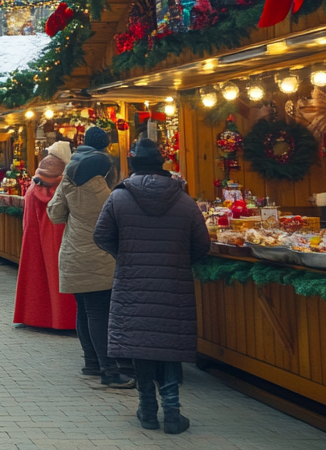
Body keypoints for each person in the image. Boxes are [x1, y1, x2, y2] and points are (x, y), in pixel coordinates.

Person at [94, 138, 210, 434]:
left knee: (141, 345)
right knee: (169, 345)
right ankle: (172, 412)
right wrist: (178, 260)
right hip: (174, 284)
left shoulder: (119, 197)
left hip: (133, 283)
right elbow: (202, 244)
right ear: (162, 166)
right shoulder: (184, 200)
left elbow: (101, 235)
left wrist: (125, 256)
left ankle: (147, 409)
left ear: (133, 164)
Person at [47, 126, 130, 388]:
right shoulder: (109, 189)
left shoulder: (69, 178)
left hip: (73, 252)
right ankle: (109, 370)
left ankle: (91, 362)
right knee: (98, 311)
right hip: (100, 255)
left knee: (84, 309)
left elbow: (55, 214)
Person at [13, 154, 77, 329]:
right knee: (62, 275)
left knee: (35, 274)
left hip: (34, 238)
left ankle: (34, 317)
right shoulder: (66, 187)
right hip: (62, 236)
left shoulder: (33, 187)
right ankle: (64, 319)